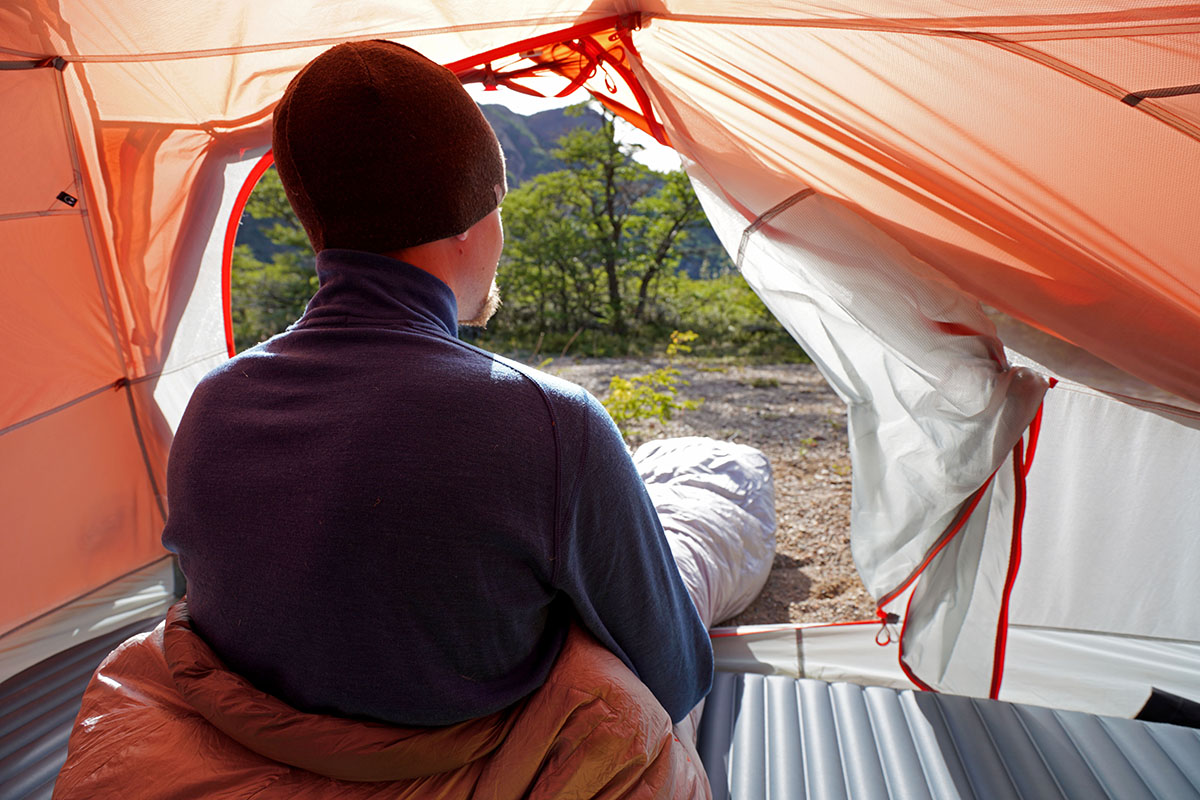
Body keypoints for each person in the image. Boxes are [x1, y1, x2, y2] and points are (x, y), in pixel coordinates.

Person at [55, 39, 728, 798]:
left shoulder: (213, 405)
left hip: (263, 749)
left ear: (317, 226)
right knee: (699, 532)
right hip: (453, 769)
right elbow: (674, 674)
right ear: (474, 216)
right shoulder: (550, 423)